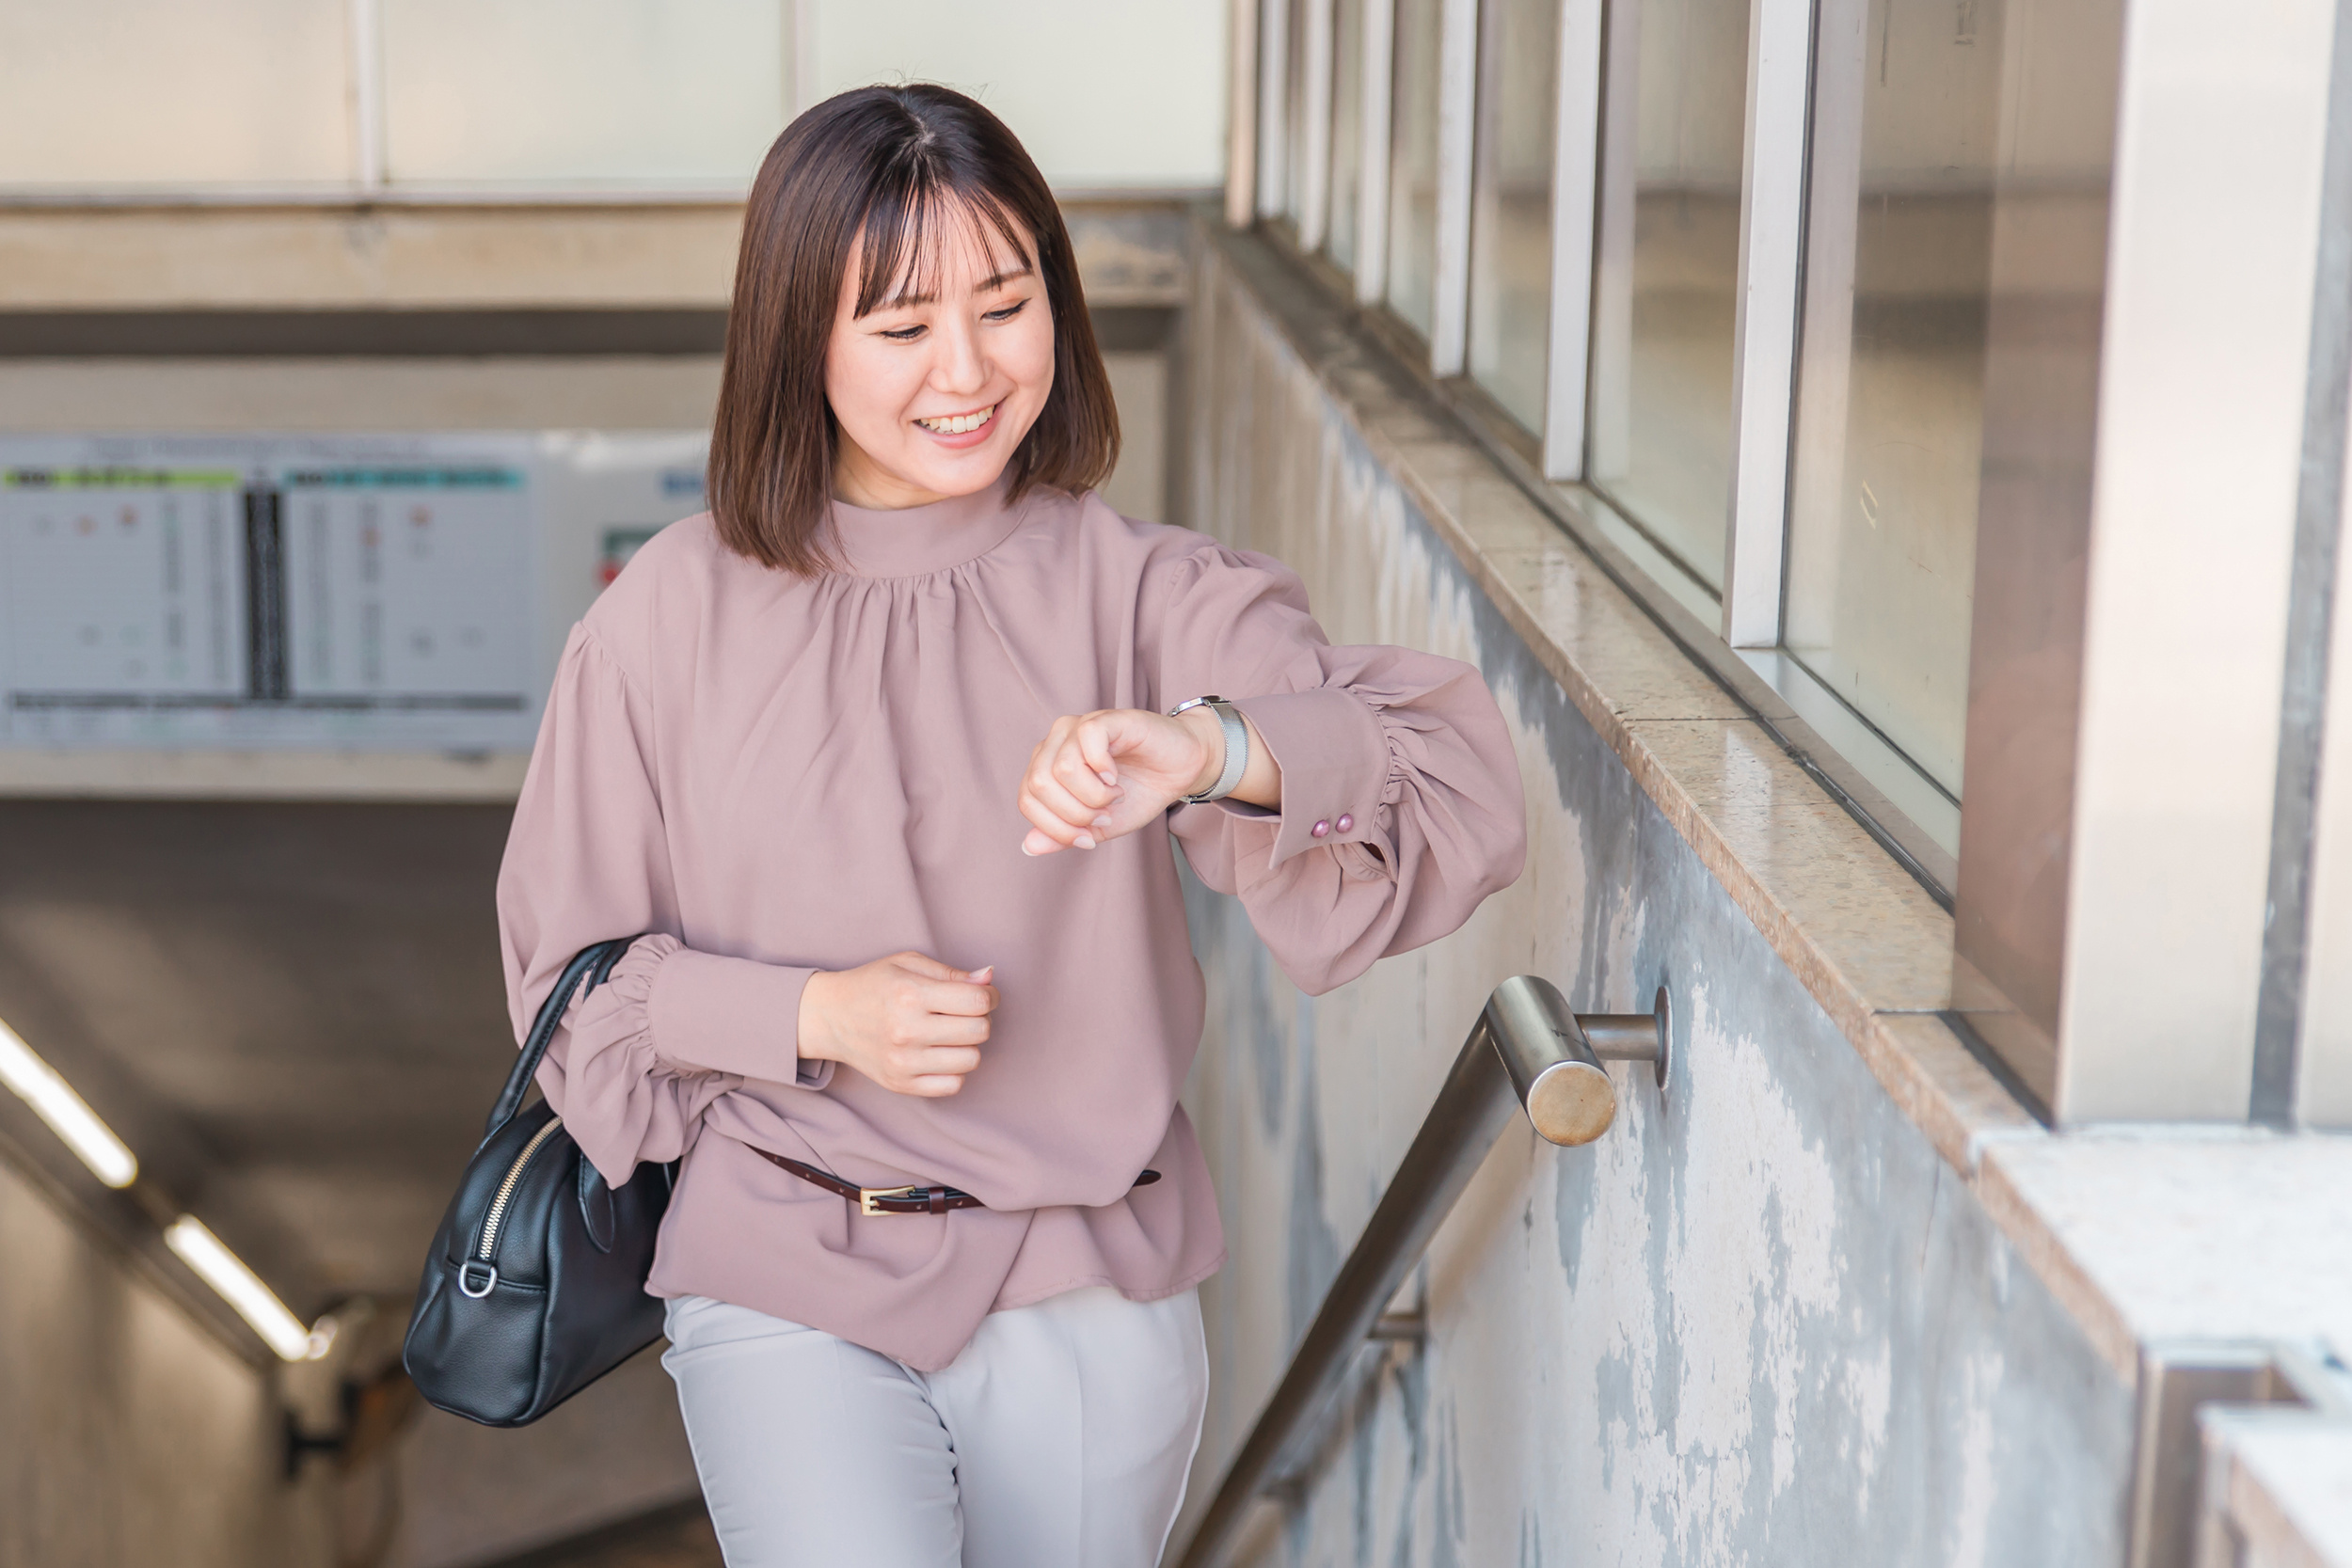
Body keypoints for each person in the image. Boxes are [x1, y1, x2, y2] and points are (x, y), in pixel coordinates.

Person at [496, 83, 1527, 1568]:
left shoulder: (1148, 590)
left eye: (1008, 300)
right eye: (904, 326)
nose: (969, 370)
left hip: (1090, 1277)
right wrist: (813, 1012)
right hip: (781, 1267)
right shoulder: (667, 614)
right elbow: (568, 995)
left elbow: (1450, 784)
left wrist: (1205, 748)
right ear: (803, 339)